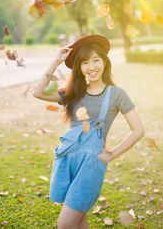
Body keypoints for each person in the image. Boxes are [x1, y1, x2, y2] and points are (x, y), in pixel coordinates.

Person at [33, 34, 145, 229]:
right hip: (67, 160)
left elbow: (138, 130)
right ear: (79, 67)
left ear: (104, 62)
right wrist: (56, 60)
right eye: (85, 62)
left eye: (96, 60)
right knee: (79, 220)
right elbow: (38, 92)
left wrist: (111, 155)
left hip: (91, 166)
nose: (91, 67)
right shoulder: (74, 91)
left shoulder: (117, 94)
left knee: (65, 224)